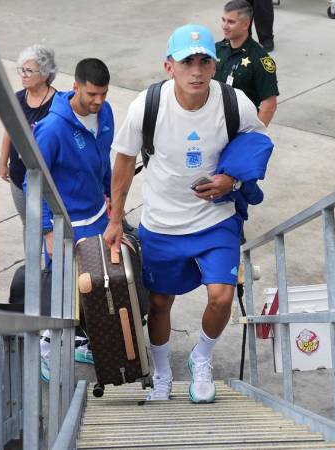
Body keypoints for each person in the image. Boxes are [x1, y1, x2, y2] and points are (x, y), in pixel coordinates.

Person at [103, 24, 270, 403]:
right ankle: (161, 372)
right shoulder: (147, 105)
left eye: (204, 61)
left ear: (214, 65)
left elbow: (258, 142)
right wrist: (115, 219)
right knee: (160, 304)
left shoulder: (234, 102)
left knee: (221, 296)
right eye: (187, 62)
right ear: (169, 67)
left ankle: (202, 358)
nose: (196, 70)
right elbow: (125, 160)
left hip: (216, 220)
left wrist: (231, 180)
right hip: (162, 223)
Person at [32, 58, 114, 382]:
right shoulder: (52, 129)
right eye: (92, 94)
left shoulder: (105, 112)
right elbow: (33, 180)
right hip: (66, 220)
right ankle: (46, 349)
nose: (98, 102)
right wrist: (47, 228)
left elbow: (105, 156)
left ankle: (83, 339)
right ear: (76, 86)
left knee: (95, 285)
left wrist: (111, 200)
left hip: (98, 213)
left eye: (103, 94)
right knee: (64, 291)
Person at [0, 45, 57, 240]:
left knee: (48, 227)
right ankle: (33, 268)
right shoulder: (18, 99)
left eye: (29, 71)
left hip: (46, 179)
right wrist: (2, 163)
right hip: (18, 175)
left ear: (45, 73)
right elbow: (9, 131)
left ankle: (49, 268)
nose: (23, 75)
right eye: (21, 69)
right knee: (29, 225)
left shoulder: (57, 104)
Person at [215, 0, 279, 127]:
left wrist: (252, 136)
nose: (224, 26)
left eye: (231, 22)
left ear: (246, 24)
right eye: (224, 20)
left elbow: (269, 105)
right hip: (213, 123)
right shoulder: (216, 50)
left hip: (240, 127)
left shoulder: (260, 60)